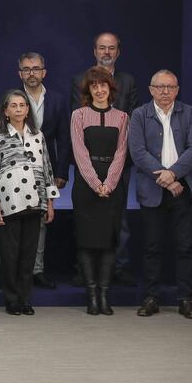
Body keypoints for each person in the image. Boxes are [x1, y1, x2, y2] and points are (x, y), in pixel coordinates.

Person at [129, 70, 192, 319]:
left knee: (185, 247)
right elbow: (138, 152)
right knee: (152, 247)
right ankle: (151, 298)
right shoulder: (140, 114)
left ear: (177, 90)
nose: (165, 92)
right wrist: (165, 178)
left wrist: (173, 174)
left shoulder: (189, 113)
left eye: (170, 87)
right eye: (160, 87)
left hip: (184, 189)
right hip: (153, 190)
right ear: (151, 90)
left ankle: (186, 300)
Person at [71, 32, 137, 287]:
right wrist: (93, 179)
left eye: (111, 48)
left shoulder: (128, 82)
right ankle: (86, 274)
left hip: (117, 165)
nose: (106, 52)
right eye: (102, 47)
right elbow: (78, 138)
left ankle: (116, 269)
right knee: (86, 222)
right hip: (88, 166)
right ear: (95, 51)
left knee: (118, 221)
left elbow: (130, 124)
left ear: (118, 52)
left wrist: (109, 181)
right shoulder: (79, 85)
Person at [0, 90, 59, 315]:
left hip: (35, 200)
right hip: (10, 200)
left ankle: (25, 299)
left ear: (28, 110)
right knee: (10, 254)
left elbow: (47, 167)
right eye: (13, 106)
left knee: (28, 254)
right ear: (6, 111)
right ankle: (11, 299)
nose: (18, 109)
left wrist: (50, 201)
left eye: (22, 105)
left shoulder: (38, 135)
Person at [71, 66, 129, 315]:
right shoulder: (79, 115)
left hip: (112, 185)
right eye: (94, 86)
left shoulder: (122, 117)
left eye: (103, 85)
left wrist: (109, 183)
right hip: (86, 186)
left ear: (110, 88)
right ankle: (92, 296)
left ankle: (104, 296)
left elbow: (121, 153)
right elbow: (80, 152)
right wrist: (96, 184)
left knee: (109, 242)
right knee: (86, 241)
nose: (99, 90)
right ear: (88, 90)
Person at [17, 52, 70, 289]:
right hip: (16, 169)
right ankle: (18, 270)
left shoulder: (58, 100)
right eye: (27, 69)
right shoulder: (12, 98)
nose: (32, 73)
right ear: (20, 73)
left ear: (44, 72)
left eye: (36, 68)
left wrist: (61, 172)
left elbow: (64, 139)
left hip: (47, 169)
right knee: (16, 221)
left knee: (41, 221)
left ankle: (36, 270)